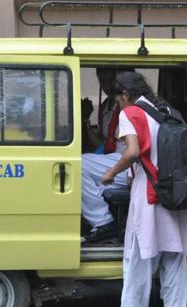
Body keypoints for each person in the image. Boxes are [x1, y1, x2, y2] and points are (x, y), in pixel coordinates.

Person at [101, 72, 187, 307]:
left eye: (117, 100)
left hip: (150, 198)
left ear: (125, 94)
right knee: (174, 265)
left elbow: (133, 151)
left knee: (138, 265)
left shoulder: (130, 113)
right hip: (178, 196)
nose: (117, 105)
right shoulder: (168, 112)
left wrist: (111, 173)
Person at [81, 67, 130, 242]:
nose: (106, 86)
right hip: (112, 160)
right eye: (102, 81)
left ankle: (103, 222)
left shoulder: (128, 104)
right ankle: (102, 226)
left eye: (110, 81)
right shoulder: (106, 107)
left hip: (127, 164)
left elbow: (134, 149)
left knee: (78, 164)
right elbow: (102, 144)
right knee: (91, 183)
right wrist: (85, 120)